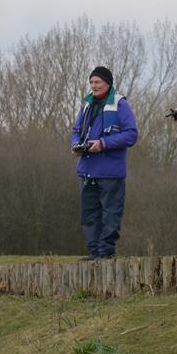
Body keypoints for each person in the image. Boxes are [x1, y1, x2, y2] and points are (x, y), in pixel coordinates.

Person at [70, 66, 138, 260]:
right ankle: (93, 252)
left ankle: (106, 253)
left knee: (110, 214)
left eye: (97, 82)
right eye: (91, 82)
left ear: (108, 83)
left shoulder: (120, 104)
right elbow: (76, 130)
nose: (94, 86)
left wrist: (104, 143)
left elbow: (131, 134)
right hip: (87, 170)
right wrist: (76, 144)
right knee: (89, 214)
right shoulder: (86, 105)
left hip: (110, 171)